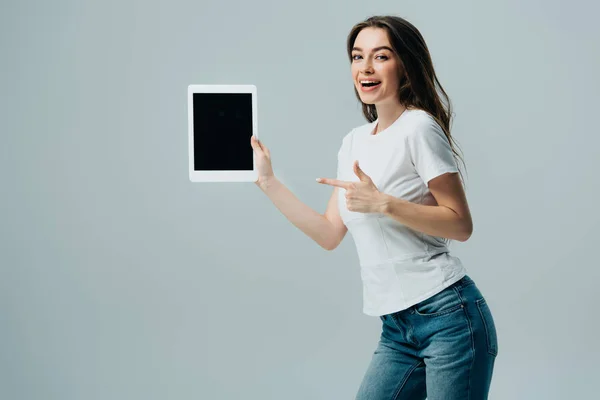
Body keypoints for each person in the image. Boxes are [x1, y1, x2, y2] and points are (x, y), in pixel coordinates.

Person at [250, 15, 498, 400]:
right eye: (357, 56)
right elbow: (329, 233)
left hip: (449, 317)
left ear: (405, 66)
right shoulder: (353, 142)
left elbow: (460, 224)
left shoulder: (419, 128)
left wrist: (383, 203)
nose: (365, 67)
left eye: (380, 56)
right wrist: (268, 182)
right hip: (396, 329)